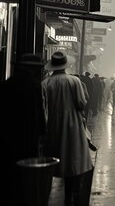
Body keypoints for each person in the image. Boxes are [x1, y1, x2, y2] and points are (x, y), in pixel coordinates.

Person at [42, 51, 93, 206]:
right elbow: (81, 103)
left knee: (54, 159)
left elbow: (43, 108)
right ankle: (72, 194)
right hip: (73, 125)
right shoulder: (74, 81)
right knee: (74, 159)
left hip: (53, 125)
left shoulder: (45, 83)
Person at [0, 53, 47, 204]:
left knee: (10, 172)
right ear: (33, 69)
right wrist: (42, 135)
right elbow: (38, 115)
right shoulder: (34, 85)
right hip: (28, 138)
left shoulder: (8, 84)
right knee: (26, 176)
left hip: (8, 137)